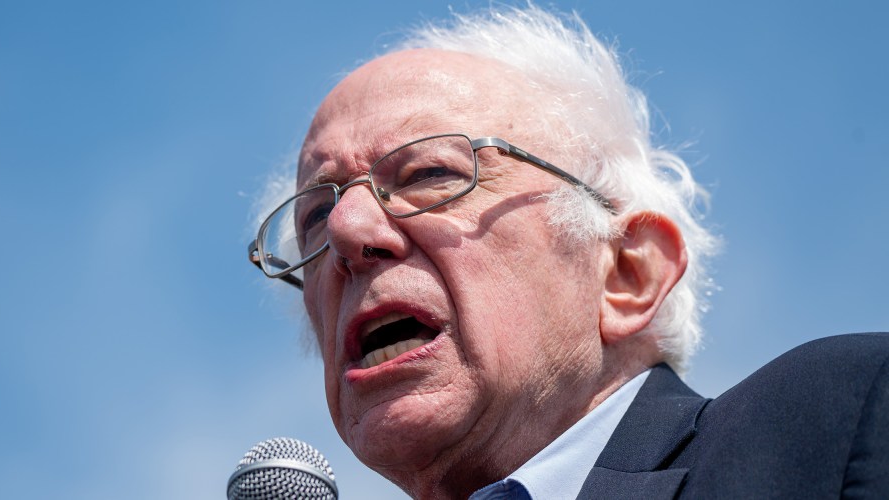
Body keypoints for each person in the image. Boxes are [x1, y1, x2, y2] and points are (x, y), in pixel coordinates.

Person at [247, 5, 889, 499]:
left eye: (429, 175)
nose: (347, 230)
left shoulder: (843, 417)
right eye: (315, 216)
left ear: (627, 274)